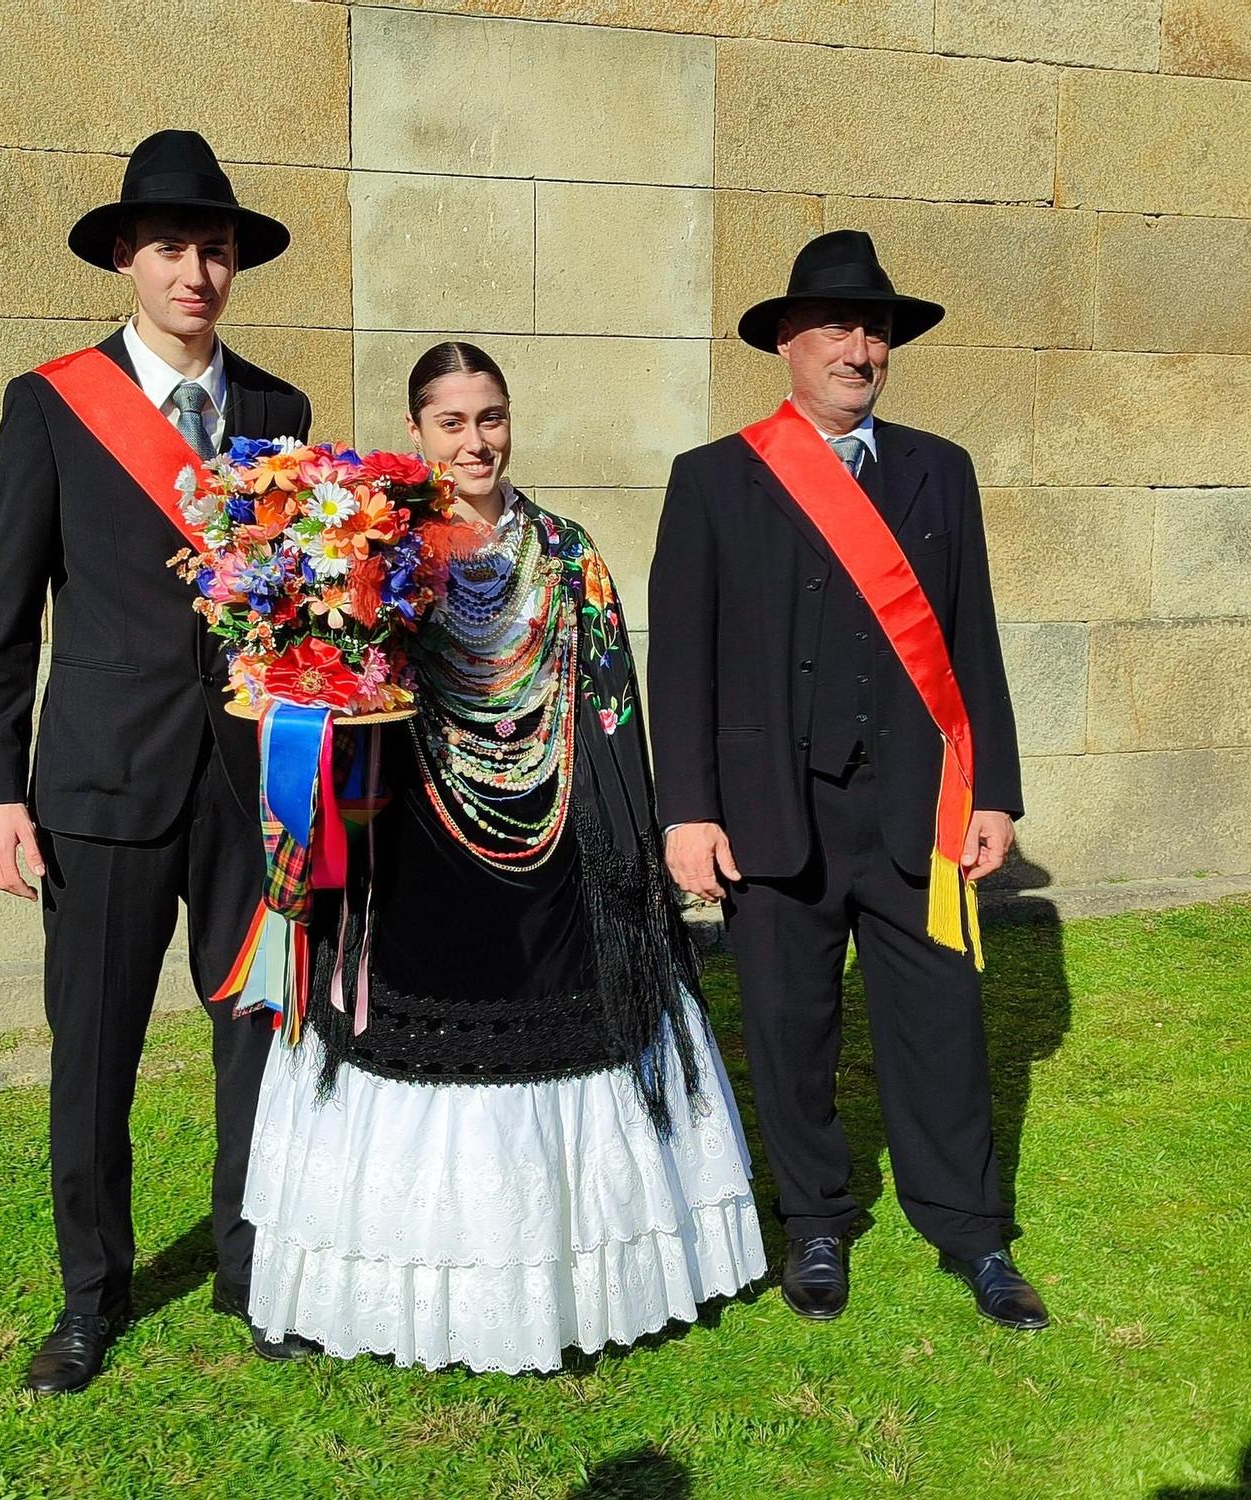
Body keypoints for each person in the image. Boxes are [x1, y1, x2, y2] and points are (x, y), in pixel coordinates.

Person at [240, 342, 765, 1372]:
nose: (475, 439)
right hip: (419, 843)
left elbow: (611, 701)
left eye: (490, 417)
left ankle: (570, 1290)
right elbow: (338, 697)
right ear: (417, 432)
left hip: (558, 844)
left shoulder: (568, 552)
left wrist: (628, 848)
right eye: (452, 422)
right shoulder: (377, 553)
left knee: (570, 1039)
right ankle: (399, 1293)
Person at [0, 129, 315, 1395]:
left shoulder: (279, 412)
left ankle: (250, 1265)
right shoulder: (51, 403)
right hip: (100, 788)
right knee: (94, 1054)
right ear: (128, 258)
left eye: (215, 249)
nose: (195, 272)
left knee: (257, 1039)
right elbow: (9, 611)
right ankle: (87, 1296)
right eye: (171, 247)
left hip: (245, 793)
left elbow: (294, 609)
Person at [647, 230, 1049, 1330]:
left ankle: (969, 1234)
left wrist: (994, 793)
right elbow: (676, 659)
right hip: (773, 810)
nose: (856, 347)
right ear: (785, 341)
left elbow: (971, 643)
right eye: (832, 325)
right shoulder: (714, 480)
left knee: (942, 1026)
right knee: (788, 1025)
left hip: (915, 809)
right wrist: (684, 809)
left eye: (872, 328)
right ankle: (816, 1224)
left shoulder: (937, 470)